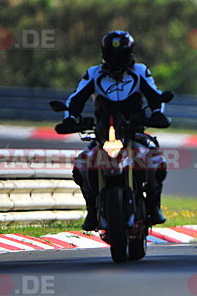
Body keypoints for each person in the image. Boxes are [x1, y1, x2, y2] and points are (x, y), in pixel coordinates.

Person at [55, 30, 172, 231]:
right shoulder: (93, 73)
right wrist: (70, 118)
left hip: (133, 130)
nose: (117, 59)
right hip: (102, 133)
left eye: (121, 54)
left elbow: (155, 96)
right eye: (112, 53)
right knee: (82, 164)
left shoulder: (141, 71)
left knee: (155, 157)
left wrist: (156, 114)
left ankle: (154, 204)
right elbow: (75, 99)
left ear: (130, 52)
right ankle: (92, 208)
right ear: (104, 52)